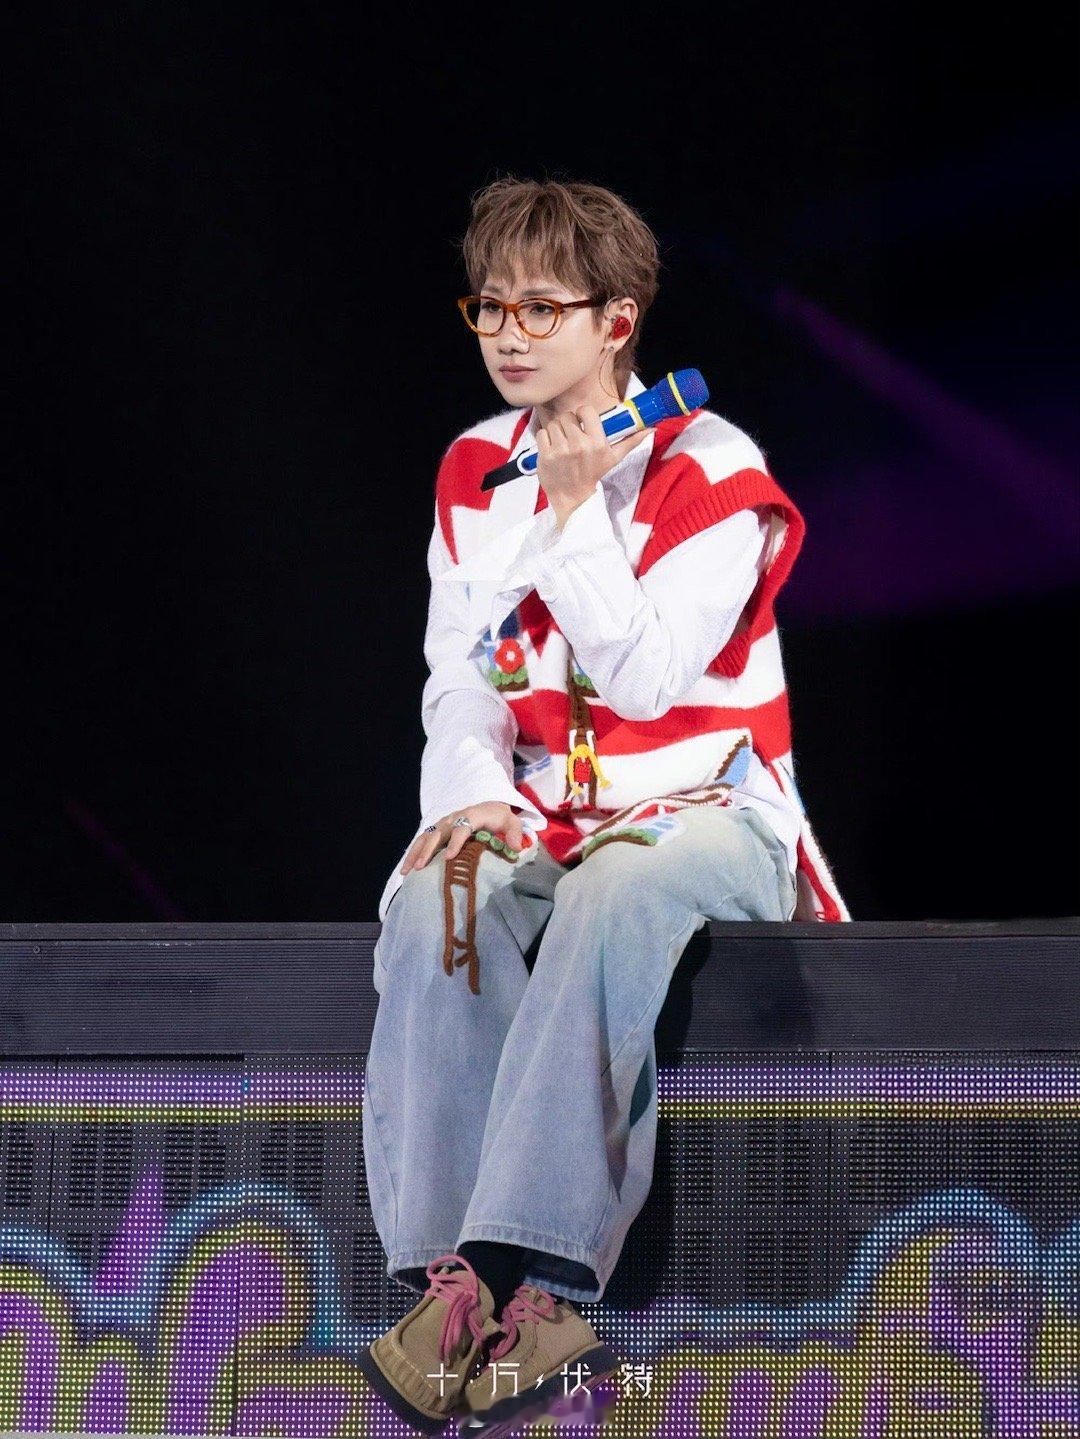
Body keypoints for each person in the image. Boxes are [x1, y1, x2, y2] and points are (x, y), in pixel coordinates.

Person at [359, 175, 850, 1436]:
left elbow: (644, 678)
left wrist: (579, 514)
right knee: (438, 898)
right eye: (489, 306)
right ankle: (451, 1289)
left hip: (707, 804)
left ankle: (532, 1283)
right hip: (547, 814)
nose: (508, 334)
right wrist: (473, 798)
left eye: (541, 308)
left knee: (617, 892)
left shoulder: (716, 467)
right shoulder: (476, 469)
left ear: (617, 320)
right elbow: (460, 680)